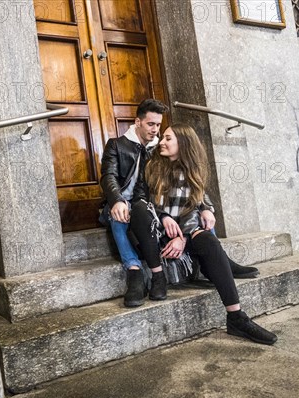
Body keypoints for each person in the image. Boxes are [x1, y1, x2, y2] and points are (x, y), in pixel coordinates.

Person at [99, 99, 258, 308]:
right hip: (126, 202)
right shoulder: (117, 145)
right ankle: (134, 272)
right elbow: (108, 176)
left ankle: (220, 262)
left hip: (153, 204)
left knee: (201, 214)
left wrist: (206, 208)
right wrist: (117, 200)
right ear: (137, 122)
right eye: (151, 124)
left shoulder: (161, 148)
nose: (156, 130)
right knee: (120, 213)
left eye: (158, 125)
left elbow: (190, 185)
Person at [130, 123, 277, 345]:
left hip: (182, 232)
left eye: (168, 138)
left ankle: (236, 317)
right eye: (163, 137)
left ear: (183, 143)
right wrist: (163, 217)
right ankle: (175, 272)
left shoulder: (192, 171)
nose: (161, 141)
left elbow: (192, 209)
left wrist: (184, 238)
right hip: (154, 232)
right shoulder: (151, 164)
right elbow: (143, 200)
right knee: (143, 212)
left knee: (207, 239)